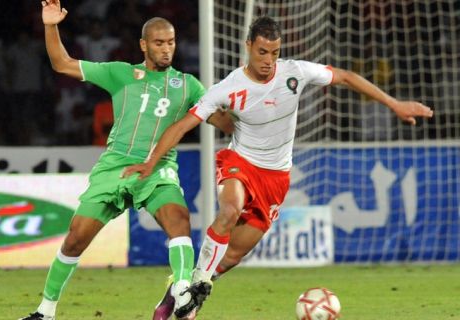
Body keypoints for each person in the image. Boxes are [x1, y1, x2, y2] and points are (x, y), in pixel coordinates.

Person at [122, 16, 434, 316]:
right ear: (248, 46)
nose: (269, 60)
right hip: (240, 162)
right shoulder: (228, 87)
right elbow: (183, 124)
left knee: (233, 255)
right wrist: (151, 162)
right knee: (229, 211)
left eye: (274, 52)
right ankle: (198, 280)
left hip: (276, 177)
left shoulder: (294, 72)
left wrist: (395, 104)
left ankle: (184, 292)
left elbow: (346, 77)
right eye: (262, 52)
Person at [19, 1, 234, 320]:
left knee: (179, 219)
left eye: (171, 42)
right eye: (159, 43)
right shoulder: (120, 73)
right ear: (144, 45)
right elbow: (62, 64)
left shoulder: (189, 85)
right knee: (76, 238)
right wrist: (51, 25)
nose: (166, 49)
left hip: (158, 171)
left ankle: (181, 289)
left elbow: (225, 123)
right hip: (115, 168)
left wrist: (249, 104)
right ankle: (45, 311)